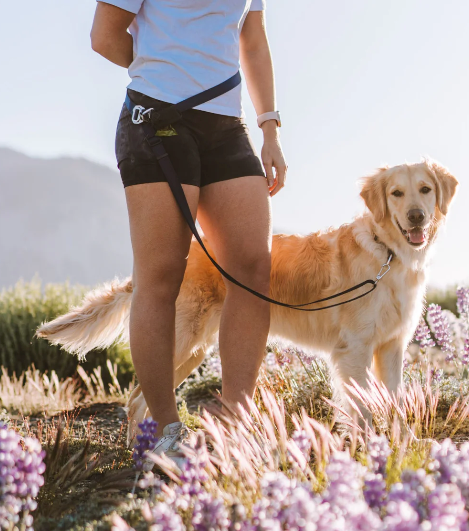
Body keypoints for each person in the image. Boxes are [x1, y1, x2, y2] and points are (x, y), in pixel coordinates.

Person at [90, 0, 286, 467]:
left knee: (254, 268)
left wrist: (270, 129)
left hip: (226, 126)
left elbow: (252, 38)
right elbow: (105, 36)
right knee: (161, 277)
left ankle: (236, 424)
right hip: (157, 118)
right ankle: (164, 431)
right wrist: (166, 68)